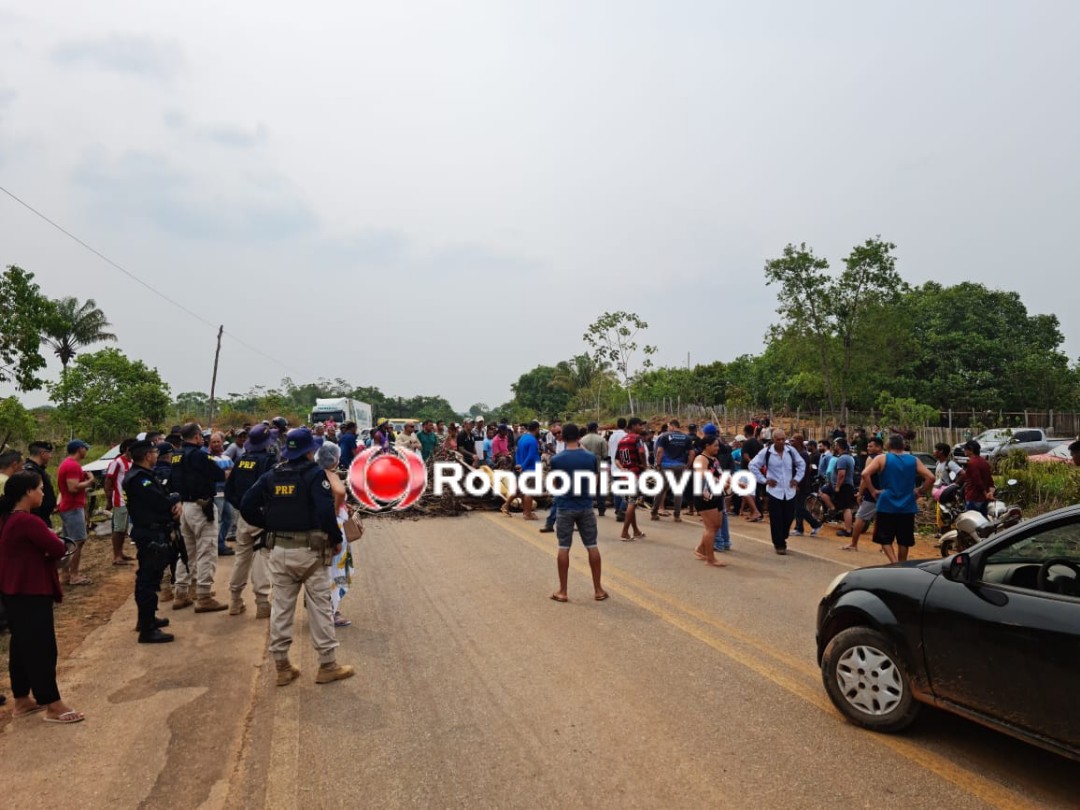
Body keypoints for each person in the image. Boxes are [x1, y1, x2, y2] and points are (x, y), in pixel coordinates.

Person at [241, 427, 354, 686]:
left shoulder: (273, 475)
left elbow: (247, 503)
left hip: (279, 551)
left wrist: (269, 524)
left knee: (281, 608)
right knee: (321, 608)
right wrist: (335, 540)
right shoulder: (315, 475)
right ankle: (327, 665)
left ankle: (282, 667)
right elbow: (326, 512)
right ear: (310, 451)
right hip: (311, 553)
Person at [0, 471, 85, 723]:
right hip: (31, 590)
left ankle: (22, 699)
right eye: (39, 488)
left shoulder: (7, 519)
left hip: (14, 590)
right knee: (41, 647)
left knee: (22, 644)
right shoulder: (27, 521)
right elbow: (58, 547)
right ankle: (53, 704)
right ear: (28, 492)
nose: (43, 493)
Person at [124, 441, 181, 643]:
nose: (157, 455)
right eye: (155, 452)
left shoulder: (143, 475)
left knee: (150, 578)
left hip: (152, 532)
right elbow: (160, 502)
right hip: (149, 534)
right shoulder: (140, 479)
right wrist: (175, 498)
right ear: (148, 455)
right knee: (148, 580)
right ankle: (147, 629)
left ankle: (147, 618)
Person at [169, 423, 227, 612]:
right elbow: (219, 474)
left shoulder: (176, 456)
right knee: (207, 551)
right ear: (196, 437)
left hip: (184, 506)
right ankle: (203, 596)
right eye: (201, 436)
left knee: (186, 552)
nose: (203, 439)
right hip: (202, 507)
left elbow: (172, 481)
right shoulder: (201, 455)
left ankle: (181, 593)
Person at [548, 424, 607, 603]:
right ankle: (598, 589)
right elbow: (595, 483)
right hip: (586, 505)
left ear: (563, 438)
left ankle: (563, 591)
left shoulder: (557, 459)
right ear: (579, 438)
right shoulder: (590, 458)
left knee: (564, 547)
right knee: (592, 545)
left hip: (565, 506)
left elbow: (556, 484)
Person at [224, 424, 275, 618]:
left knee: (241, 558)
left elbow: (229, 491)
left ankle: (235, 601)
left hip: (243, 517)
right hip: (261, 516)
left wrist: (241, 507)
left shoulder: (241, 460)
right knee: (263, 556)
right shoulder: (269, 461)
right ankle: (262, 603)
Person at [861, 434, 935, 563]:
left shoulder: (882, 459)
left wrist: (873, 491)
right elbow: (931, 478)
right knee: (904, 540)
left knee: (884, 538)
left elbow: (865, 473)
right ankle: (901, 563)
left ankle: (894, 562)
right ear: (903, 446)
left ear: (888, 445)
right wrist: (920, 491)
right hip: (907, 506)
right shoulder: (913, 460)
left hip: (886, 504)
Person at [749, 429, 805, 555]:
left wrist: (797, 479)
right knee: (776, 518)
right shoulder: (766, 452)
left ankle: (783, 535)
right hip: (774, 491)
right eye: (778, 439)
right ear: (773, 440)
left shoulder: (791, 451)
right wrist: (764, 480)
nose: (781, 442)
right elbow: (753, 465)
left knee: (789, 516)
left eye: (783, 439)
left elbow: (801, 464)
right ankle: (779, 544)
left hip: (789, 490)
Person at [315, 442, 354, 628]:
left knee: (326, 570)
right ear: (334, 458)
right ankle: (332, 612)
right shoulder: (330, 475)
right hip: (334, 527)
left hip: (323, 526)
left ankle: (324, 609)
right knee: (335, 572)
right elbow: (339, 493)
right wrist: (338, 508)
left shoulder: (314, 476)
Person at [56, 439, 94, 586]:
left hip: (70, 506)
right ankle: (74, 575)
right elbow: (73, 487)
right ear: (80, 449)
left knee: (70, 541)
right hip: (72, 507)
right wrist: (90, 480)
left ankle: (65, 574)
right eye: (85, 448)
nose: (86, 451)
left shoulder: (68, 464)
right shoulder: (72, 465)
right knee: (78, 541)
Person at [691, 435, 728, 567]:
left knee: (716, 525)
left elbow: (720, 475)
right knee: (711, 527)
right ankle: (710, 558)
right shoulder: (700, 458)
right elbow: (701, 473)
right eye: (715, 445)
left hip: (716, 494)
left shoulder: (714, 459)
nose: (717, 448)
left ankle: (701, 549)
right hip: (705, 495)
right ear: (707, 446)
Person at [843, 436, 883, 551]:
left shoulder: (871, 458)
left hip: (872, 493)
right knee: (880, 519)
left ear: (878, 447)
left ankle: (853, 544)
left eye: (871, 446)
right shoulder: (886, 458)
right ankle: (883, 545)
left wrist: (860, 493)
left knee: (860, 517)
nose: (868, 448)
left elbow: (865, 477)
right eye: (868, 446)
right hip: (884, 492)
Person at [651, 419, 694, 522]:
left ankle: (654, 513)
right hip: (680, 466)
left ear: (672, 426)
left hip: (666, 466)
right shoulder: (687, 438)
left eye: (669, 426)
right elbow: (692, 453)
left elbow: (659, 451)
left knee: (660, 489)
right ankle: (677, 515)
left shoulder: (664, 436)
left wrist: (657, 464)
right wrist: (688, 465)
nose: (668, 428)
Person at [104, 438, 137, 566]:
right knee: (118, 528)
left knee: (123, 528)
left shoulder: (131, 462)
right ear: (128, 449)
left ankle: (120, 553)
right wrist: (109, 499)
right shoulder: (117, 462)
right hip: (120, 500)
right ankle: (116, 556)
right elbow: (108, 481)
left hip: (129, 500)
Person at [615, 417, 648, 542]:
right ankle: (624, 532)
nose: (642, 428)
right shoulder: (637, 439)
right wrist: (645, 465)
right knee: (632, 502)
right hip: (635, 473)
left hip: (626, 475)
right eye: (640, 425)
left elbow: (616, 459)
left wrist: (622, 468)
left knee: (631, 502)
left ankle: (636, 531)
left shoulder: (622, 440)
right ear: (633, 426)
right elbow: (641, 452)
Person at [208, 432, 236, 557]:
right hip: (216, 493)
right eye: (213, 442)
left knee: (229, 519)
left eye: (217, 441)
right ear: (209, 444)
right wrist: (226, 473)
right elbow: (218, 475)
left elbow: (233, 473)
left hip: (227, 492)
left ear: (222, 442)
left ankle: (221, 542)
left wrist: (225, 473)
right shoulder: (208, 458)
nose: (216, 444)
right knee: (218, 520)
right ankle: (217, 545)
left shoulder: (227, 458)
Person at [789, 433, 821, 538]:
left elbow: (803, 471)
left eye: (793, 440)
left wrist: (797, 483)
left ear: (798, 441)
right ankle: (799, 528)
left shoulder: (802, 454)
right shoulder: (798, 453)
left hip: (801, 485)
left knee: (799, 507)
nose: (791, 442)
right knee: (797, 507)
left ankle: (815, 524)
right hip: (797, 484)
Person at [24, 442, 57, 527]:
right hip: (37, 518)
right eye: (49, 453)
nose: (51, 456)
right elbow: (31, 496)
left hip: (43, 517)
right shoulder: (31, 470)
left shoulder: (38, 469)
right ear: (42, 454)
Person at [579, 422, 608, 517]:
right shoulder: (602, 440)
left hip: (586, 467)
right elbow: (605, 456)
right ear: (596, 429)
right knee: (601, 489)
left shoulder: (582, 440)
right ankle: (601, 510)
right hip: (600, 466)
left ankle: (587, 509)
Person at [514, 421, 542, 520]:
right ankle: (528, 514)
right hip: (531, 469)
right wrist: (524, 466)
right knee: (529, 491)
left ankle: (525, 512)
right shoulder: (533, 440)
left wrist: (519, 465)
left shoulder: (522, 438)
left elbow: (517, 453)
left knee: (524, 491)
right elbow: (531, 456)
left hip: (523, 469)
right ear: (537, 429)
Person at [829, 439, 857, 536]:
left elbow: (841, 474)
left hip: (844, 486)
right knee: (846, 508)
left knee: (846, 508)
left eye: (836, 445)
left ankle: (848, 530)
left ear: (839, 446)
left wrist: (837, 487)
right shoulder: (848, 457)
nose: (835, 447)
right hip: (847, 485)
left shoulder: (842, 459)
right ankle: (848, 528)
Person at [960, 440, 994, 517]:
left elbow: (977, 482)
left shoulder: (972, 463)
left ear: (971, 450)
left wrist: (985, 494)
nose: (964, 451)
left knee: (973, 523)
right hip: (984, 499)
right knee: (983, 522)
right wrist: (990, 493)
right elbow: (990, 480)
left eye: (965, 449)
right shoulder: (984, 462)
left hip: (974, 497)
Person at [607, 418, 628, 520]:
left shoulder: (611, 437)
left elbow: (610, 452)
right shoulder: (625, 436)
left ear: (617, 425)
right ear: (625, 425)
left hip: (614, 466)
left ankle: (617, 508)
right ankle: (621, 510)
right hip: (623, 466)